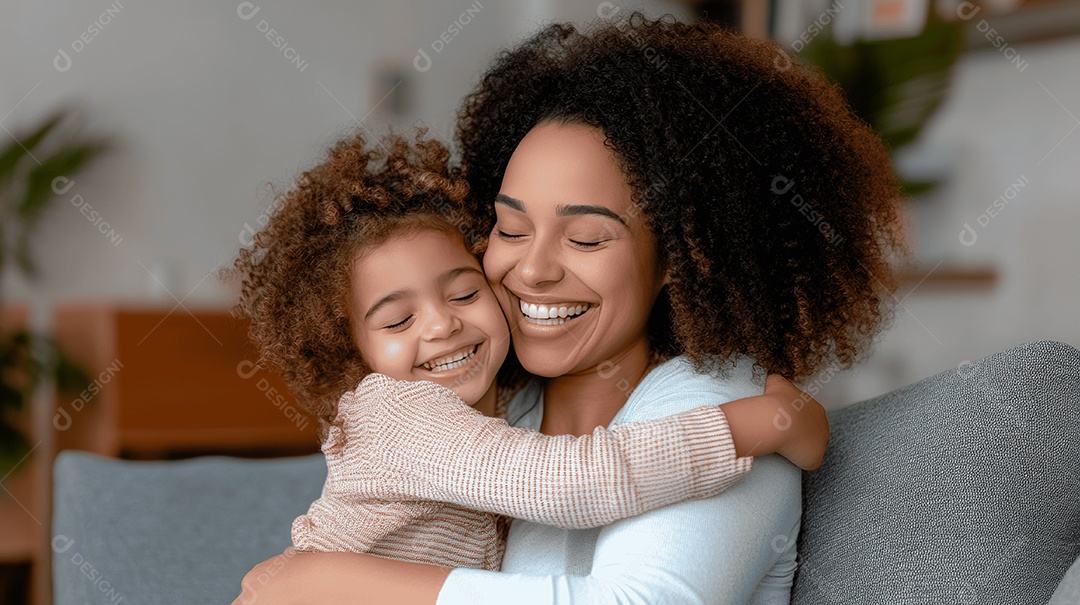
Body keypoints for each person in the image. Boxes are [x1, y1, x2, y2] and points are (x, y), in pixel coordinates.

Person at [233, 12, 902, 605]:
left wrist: (330, 585)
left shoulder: (708, 401)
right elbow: (562, 482)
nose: (533, 268)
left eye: (585, 237)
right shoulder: (490, 408)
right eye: (511, 229)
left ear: (678, 255)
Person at [237, 129, 829, 571]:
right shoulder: (397, 415)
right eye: (398, 319)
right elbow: (572, 482)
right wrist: (757, 425)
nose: (442, 325)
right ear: (351, 349)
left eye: (464, 292)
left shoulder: (505, 406)